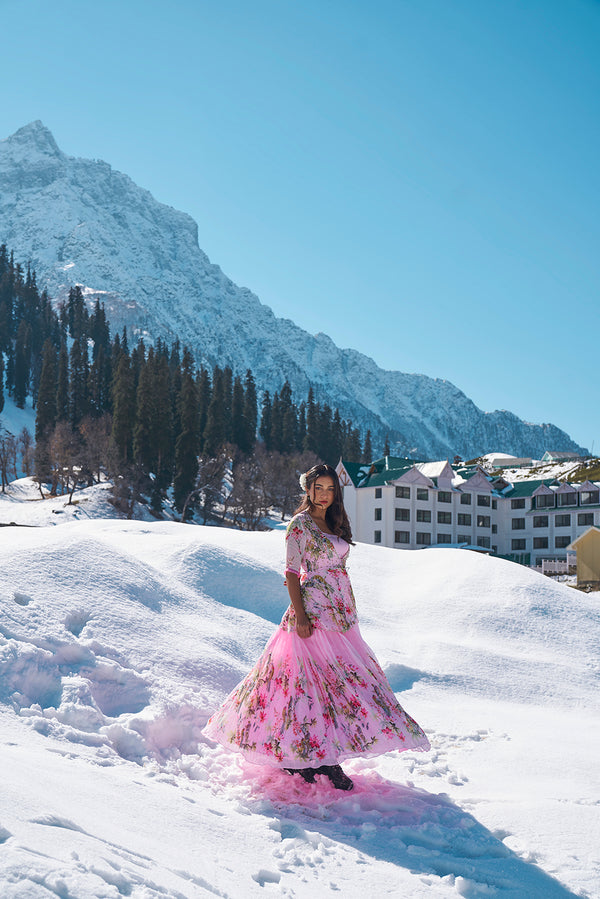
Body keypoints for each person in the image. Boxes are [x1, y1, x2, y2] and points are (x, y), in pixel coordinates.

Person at [203, 463, 430, 790]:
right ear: (307, 489)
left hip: (342, 616)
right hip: (313, 614)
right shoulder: (300, 525)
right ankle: (315, 760)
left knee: (339, 686)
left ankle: (318, 755)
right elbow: (292, 574)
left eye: (330, 489)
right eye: (318, 488)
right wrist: (302, 617)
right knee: (312, 688)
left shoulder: (333, 522)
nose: (324, 495)